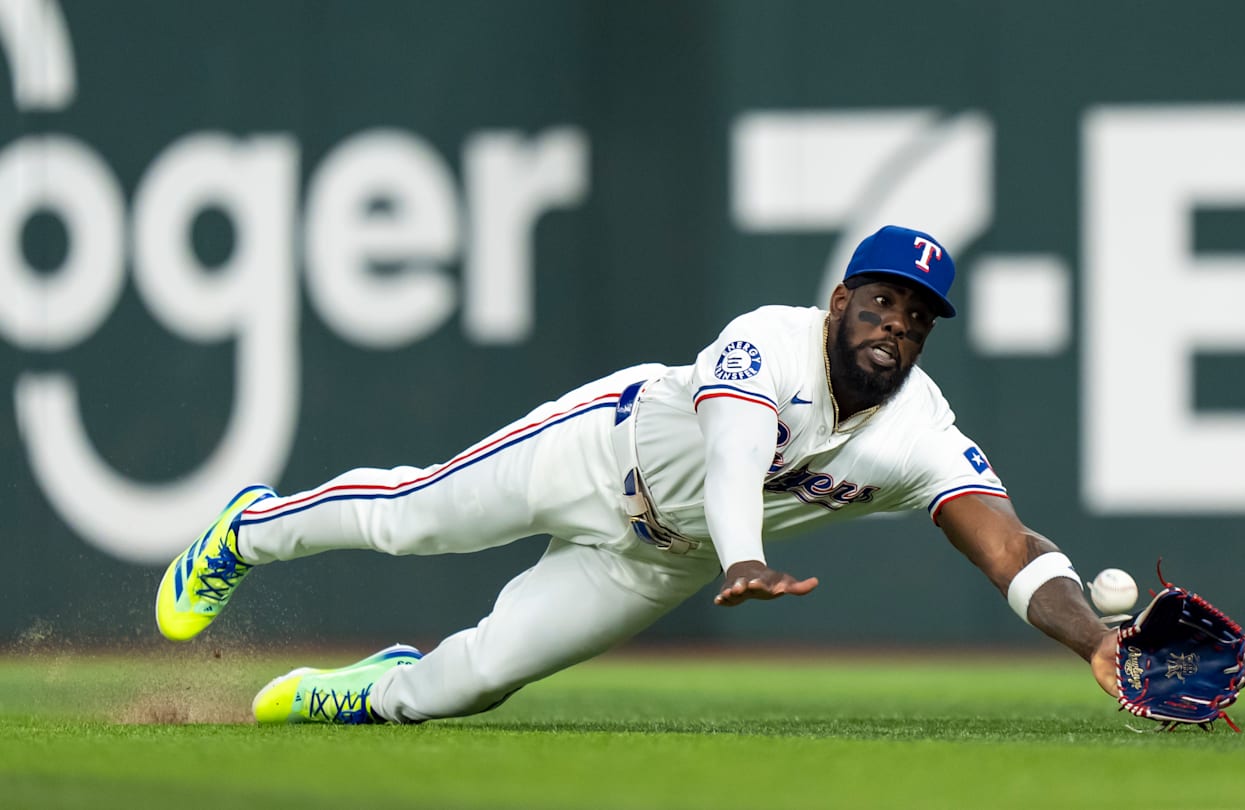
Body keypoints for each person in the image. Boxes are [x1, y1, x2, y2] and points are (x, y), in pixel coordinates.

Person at [155, 224, 1120, 724]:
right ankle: (247, 528)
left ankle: (370, 691)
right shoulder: (768, 341)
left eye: (917, 315)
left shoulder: (920, 430)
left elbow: (1010, 547)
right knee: (413, 515)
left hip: (659, 561)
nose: (896, 324)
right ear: (840, 300)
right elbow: (736, 451)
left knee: (472, 684)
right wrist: (743, 556)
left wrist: (1091, 643)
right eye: (881, 300)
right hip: (593, 453)